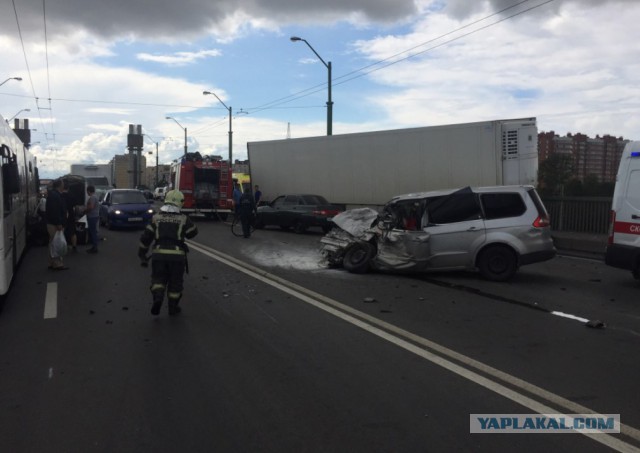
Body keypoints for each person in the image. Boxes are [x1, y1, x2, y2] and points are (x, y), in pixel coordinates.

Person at [138, 190, 198, 316]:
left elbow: (146, 237)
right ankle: (173, 307)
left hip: (158, 254)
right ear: (179, 202)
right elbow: (192, 233)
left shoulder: (156, 218)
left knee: (158, 280)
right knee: (175, 282)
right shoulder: (183, 218)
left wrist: (142, 254)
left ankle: (158, 298)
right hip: (177, 257)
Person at [45, 179, 68, 270]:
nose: (64, 185)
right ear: (60, 185)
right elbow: (56, 211)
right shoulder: (55, 195)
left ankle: (51, 262)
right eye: (63, 184)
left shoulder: (52, 194)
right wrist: (59, 223)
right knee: (57, 243)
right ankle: (57, 264)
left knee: (52, 243)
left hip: (51, 222)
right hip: (54, 224)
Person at [61, 181, 78, 252]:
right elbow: (75, 207)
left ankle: (63, 246)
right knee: (73, 232)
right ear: (68, 188)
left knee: (62, 231)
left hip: (62, 215)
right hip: (71, 215)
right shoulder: (72, 195)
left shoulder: (60, 195)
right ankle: (74, 247)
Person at [85, 185, 100, 254]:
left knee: (93, 232)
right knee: (93, 232)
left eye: (87, 191)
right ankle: (94, 247)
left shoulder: (92, 198)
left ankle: (95, 248)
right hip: (95, 216)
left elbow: (91, 207)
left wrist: (85, 211)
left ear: (88, 191)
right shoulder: (95, 197)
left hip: (92, 217)